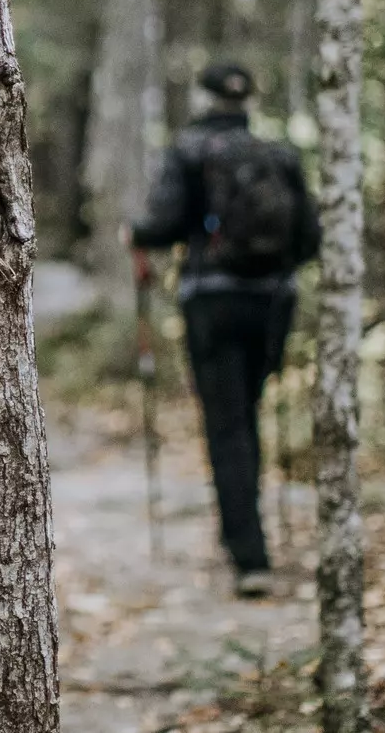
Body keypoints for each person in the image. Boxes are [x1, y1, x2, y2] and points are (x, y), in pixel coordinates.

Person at [129, 63, 319, 597]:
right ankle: (245, 535)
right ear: (248, 101)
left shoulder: (188, 151)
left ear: (202, 97)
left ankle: (249, 555)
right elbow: (310, 239)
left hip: (211, 302)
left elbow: (161, 226)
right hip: (272, 303)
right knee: (247, 416)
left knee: (227, 423)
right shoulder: (280, 156)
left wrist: (133, 233)